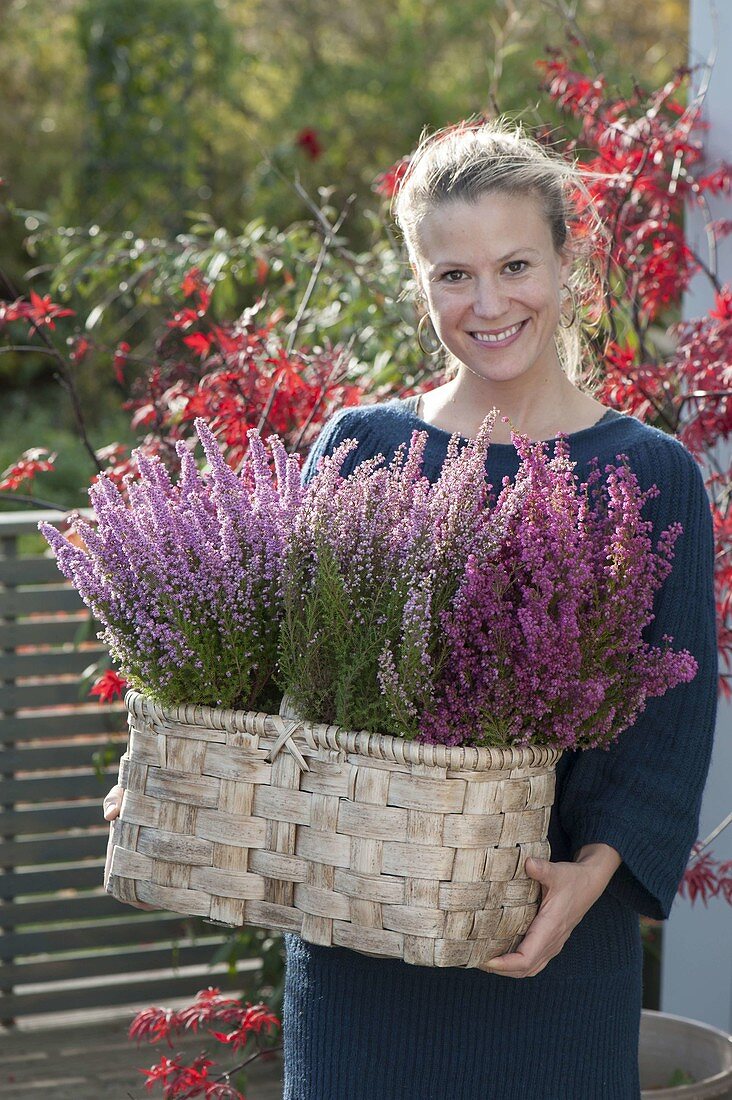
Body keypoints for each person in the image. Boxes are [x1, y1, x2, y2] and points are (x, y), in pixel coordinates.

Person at [104, 121, 719, 1098]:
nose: (488, 303)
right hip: (361, 977)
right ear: (418, 280)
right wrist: (188, 770)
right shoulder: (361, 448)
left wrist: (591, 875)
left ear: (569, 259)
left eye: (515, 264)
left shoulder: (652, 472)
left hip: (549, 965)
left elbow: (669, 733)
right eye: (453, 274)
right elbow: (285, 680)